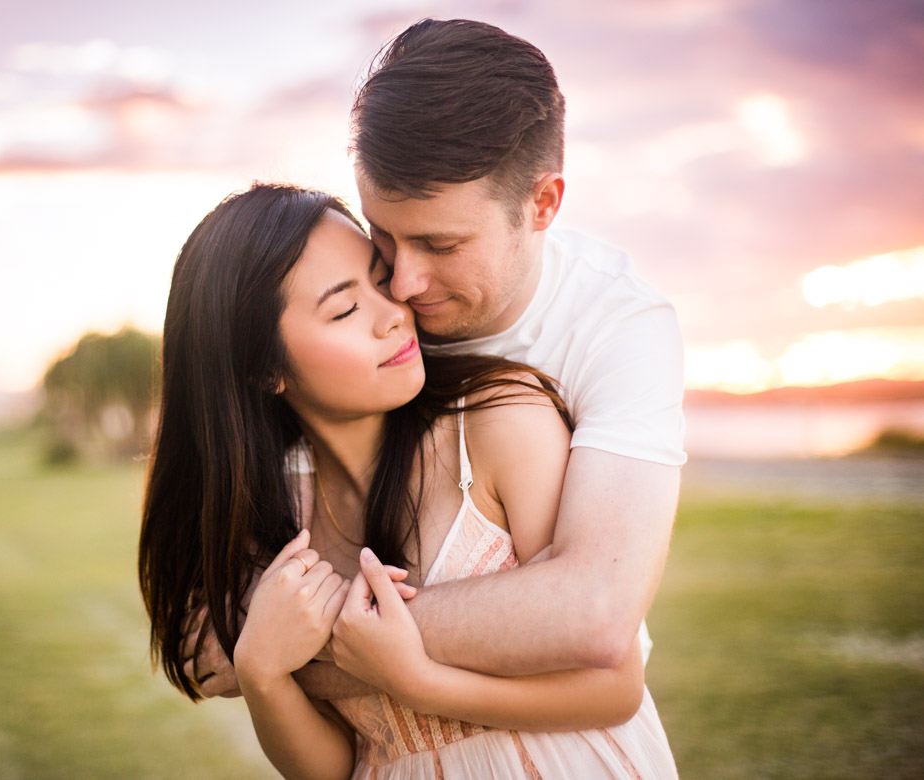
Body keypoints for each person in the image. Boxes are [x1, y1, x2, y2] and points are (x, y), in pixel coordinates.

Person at [189, 17, 686, 701]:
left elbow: (594, 611)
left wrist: (282, 645)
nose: (401, 286)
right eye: (382, 237)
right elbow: (199, 626)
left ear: (542, 204)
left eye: (442, 245)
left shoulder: (619, 327)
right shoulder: (368, 313)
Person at [139, 182, 678, 777]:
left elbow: (616, 687)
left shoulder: (499, 422)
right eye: (344, 309)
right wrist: (264, 674)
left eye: (380, 279)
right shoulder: (284, 525)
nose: (394, 313)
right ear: (265, 368)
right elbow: (339, 767)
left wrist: (416, 680)